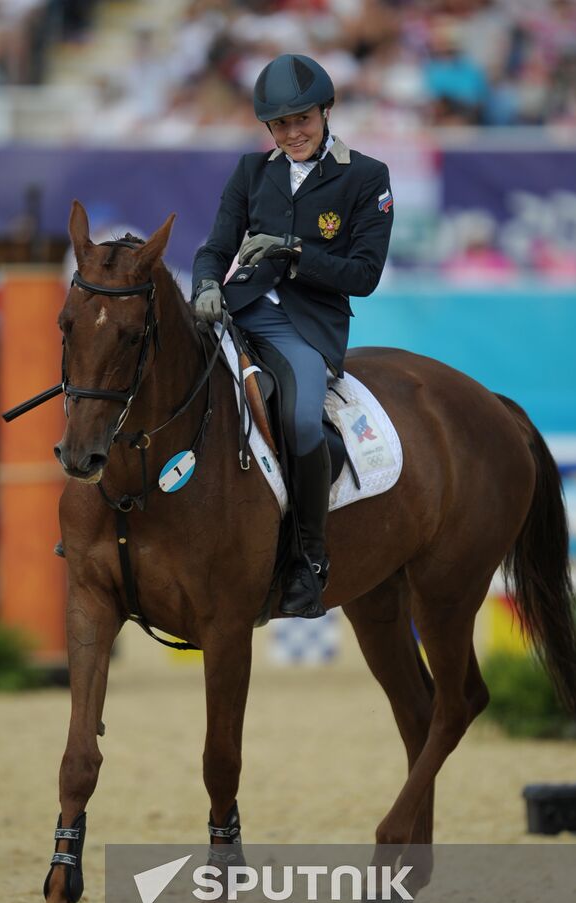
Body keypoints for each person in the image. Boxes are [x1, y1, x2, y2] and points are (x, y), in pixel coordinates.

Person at [192, 52, 393, 618]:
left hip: (307, 326)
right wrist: (207, 283)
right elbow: (215, 246)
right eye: (280, 124)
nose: (292, 132)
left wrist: (296, 253)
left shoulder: (365, 176)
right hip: (240, 310)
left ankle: (309, 559)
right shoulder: (252, 172)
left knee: (303, 418)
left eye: (302, 119)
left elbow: (364, 275)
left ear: (326, 111)